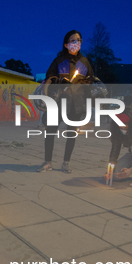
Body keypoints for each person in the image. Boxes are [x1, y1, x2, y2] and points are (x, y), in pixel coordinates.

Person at [38, 30, 95, 174]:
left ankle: (66, 163)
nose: (76, 43)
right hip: (58, 102)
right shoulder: (59, 61)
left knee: (71, 134)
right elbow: (49, 77)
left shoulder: (85, 62)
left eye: (79, 40)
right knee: (50, 132)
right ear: (66, 44)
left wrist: (84, 84)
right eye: (73, 40)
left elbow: (91, 80)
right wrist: (59, 81)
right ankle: (47, 162)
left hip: (76, 104)